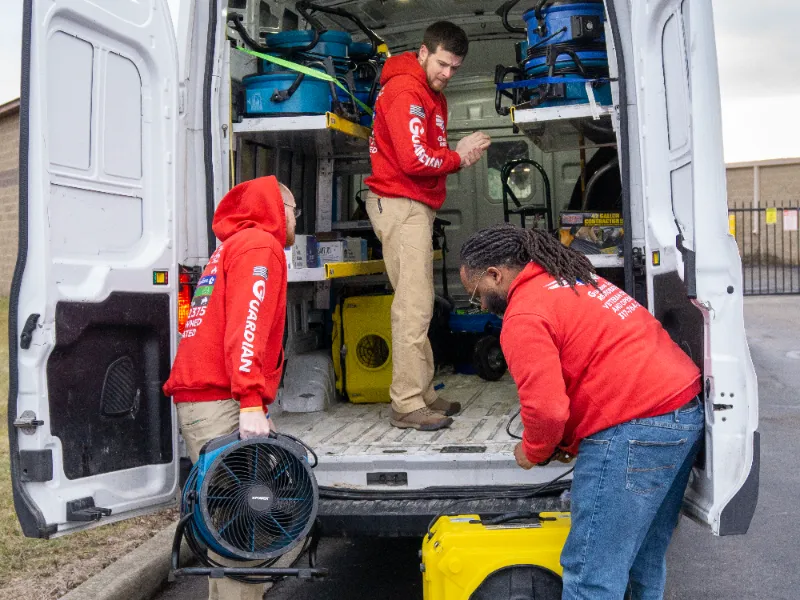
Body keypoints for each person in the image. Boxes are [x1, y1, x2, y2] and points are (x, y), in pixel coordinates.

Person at [459, 224, 704, 600]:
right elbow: (596, 363)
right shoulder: (576, 281)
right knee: (643, 559)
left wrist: (534, 451)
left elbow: (547, 409)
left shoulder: (524, 314)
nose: (479, 304)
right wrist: (570, 442)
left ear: (496, 274)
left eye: (476, 294)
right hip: (680, 412)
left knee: (591, 574)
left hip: (636, 427)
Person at [163, 175, 297, 600]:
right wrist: (251, 401)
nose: (297, 221)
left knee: (225, 525)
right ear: (279, 209)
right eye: (295, 211)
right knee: (241, 532)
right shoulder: (261, 246)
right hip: (220, 400)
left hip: (205, 400)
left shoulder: (232, 246)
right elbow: (248, 327)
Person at [364, 21, 492, 431]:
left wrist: (455, 157)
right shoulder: (406, 92)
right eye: (442, 64)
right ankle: (406, 403)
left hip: (413, 205)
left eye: (455, 68)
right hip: (401, 204)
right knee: (413, 308)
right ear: (422, 52)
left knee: (420, 304)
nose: (447, 74)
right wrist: (457, 157)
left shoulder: (427, 93)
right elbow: (414, 159)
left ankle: (423, 393)